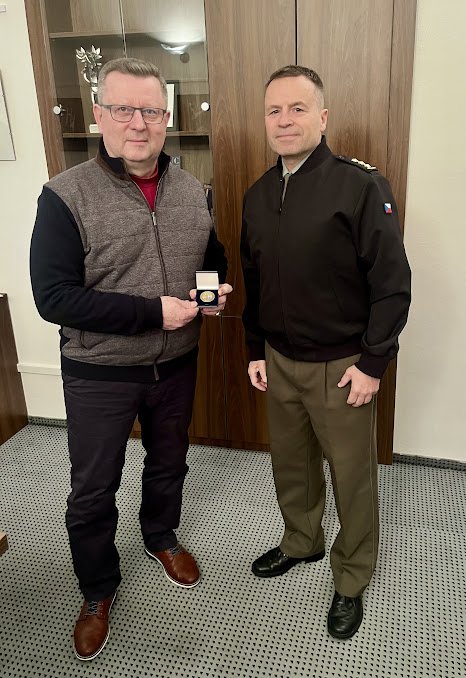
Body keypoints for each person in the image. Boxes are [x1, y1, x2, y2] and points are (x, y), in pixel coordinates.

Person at [30, 57, 231, 661]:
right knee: (93, 490)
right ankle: (97, 589)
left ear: (166, 117)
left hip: (177, 364)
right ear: (99, 115)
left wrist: (212, 291)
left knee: (169, 462)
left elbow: (211, 256)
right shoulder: (64, 196)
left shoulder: (193, 190)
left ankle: (160, 535)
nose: (137, 123)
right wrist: (151, 313)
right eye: (123, 109)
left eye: (150, 110)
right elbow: (53, 297)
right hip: (100, 372)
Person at [241, 65, 410, 639]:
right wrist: (255, 348)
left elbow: (392, 283)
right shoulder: (258, 194)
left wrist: (373, 363)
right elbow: (254, 280)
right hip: (279, 360)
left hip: (343, 366)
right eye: (274, 110)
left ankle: (352, 575)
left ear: (322, 116)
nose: (284, 120)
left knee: (351, 476)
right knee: (291, 465)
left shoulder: (360, 186)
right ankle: (301, 541)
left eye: (297, 108)